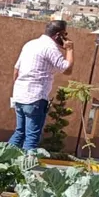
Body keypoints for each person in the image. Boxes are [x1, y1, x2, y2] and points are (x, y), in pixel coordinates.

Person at [9, 19, 74, 151]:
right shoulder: (50, 48)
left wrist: (16, 91)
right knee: (32, 137)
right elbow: (67, 69)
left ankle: (2, 160)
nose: (66, 38)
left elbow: (16, 70)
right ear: (58, 35)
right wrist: (70, 50)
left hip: (19, 96)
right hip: (35, 98)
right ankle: (25, 168)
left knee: (19, 132)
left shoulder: (30, 44)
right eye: (65, 34)